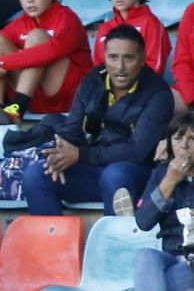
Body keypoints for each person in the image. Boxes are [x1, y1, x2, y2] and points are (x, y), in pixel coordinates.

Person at [10, 25, 172, 216]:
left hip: (136, 174)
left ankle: (116, 243)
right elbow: (72, 129)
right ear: (105, 57)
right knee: (36, 175)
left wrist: (81, 155)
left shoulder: (158, 93)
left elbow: (137, 151)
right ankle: (54, 242)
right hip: (94, 170)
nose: (120, 67)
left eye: (128, 58)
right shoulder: (93, 81)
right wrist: (59, 156)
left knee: (115, 174)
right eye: (113, 57)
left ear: (142, 58)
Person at [122, 111, 194, 291]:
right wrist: (170, 182)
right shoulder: (162, 173)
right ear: (169, 143)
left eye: (192, 139)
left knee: (149, 287)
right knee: (145, 256)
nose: (184, 146)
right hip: (172, 257)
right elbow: (143, 222)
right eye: (178, 138)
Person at [92, 0, 169, 75]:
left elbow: (154, 69)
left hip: (143, 91)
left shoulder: (152, 25)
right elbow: (97, 69)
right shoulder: (105, 28)